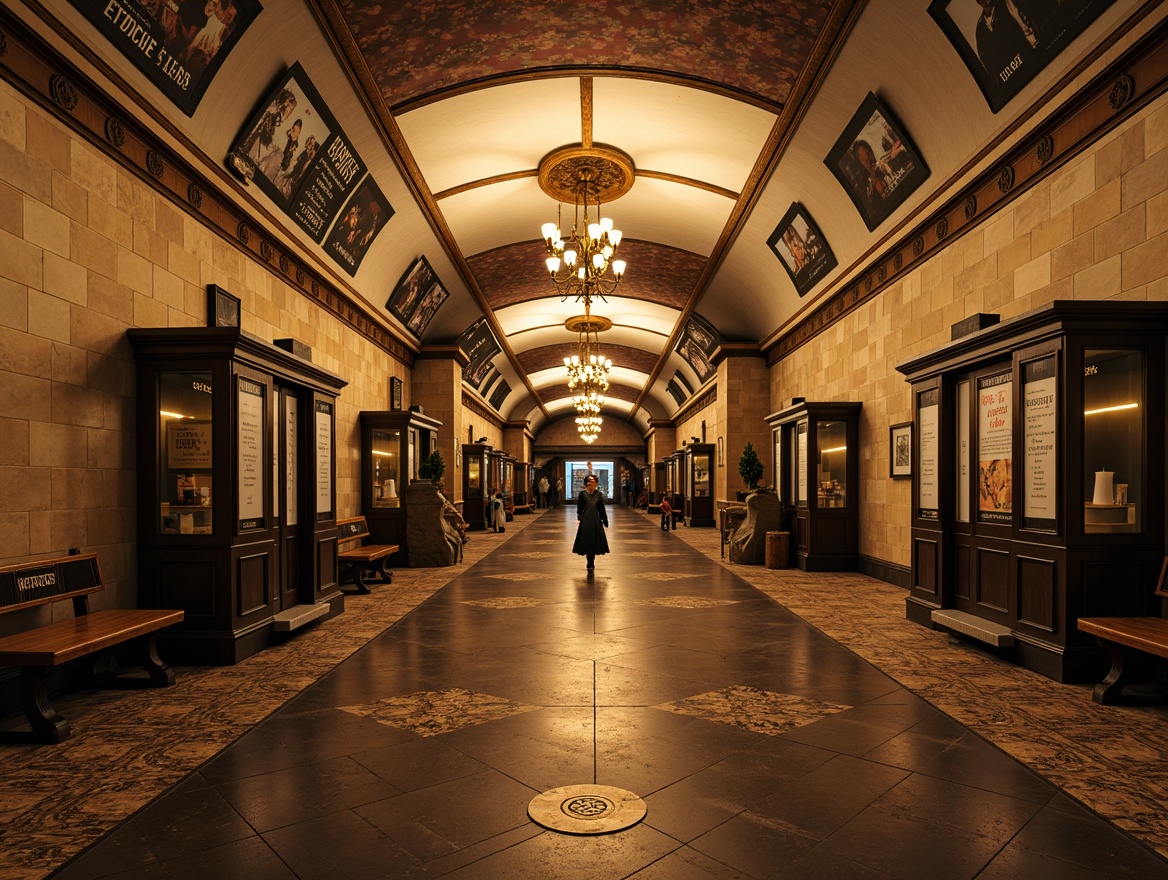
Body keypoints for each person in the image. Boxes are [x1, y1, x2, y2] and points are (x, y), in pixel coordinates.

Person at [572, 474, 609, 570]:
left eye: (593, 482)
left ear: (596, 484)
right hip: (586, 521)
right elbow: (579, 507)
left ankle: (592, 562)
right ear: (586, 483)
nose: (591, 484)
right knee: (587, 541)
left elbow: (601, 508)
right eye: (589, 482)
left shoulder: (599, 495)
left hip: (595, 520)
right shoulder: (582, 494)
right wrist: (580, 517)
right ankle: (589, 562)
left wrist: (604, 520)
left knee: (594, 541)